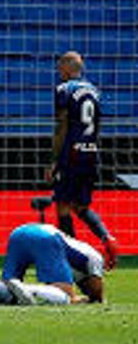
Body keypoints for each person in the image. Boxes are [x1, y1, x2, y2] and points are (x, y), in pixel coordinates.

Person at [46, 51, 117, 269]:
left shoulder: (64, 90)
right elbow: (97, 124)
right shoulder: (94, 91)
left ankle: (71, 260)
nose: (58, 70)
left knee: (62, 207)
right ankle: (107, 238)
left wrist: (54, 160)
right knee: (80, 206)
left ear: (69, 66)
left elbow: (62, 126)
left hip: (71, 153)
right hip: (90, 152)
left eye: (60, 66)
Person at [0, 223, 106, 306]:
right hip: (46, 238)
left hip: (18, 233)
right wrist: (88, 299)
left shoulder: (80, 256)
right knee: (65, 297)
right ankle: (30, 290)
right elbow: (97, 296)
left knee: (9, 283)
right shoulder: (96, 259)